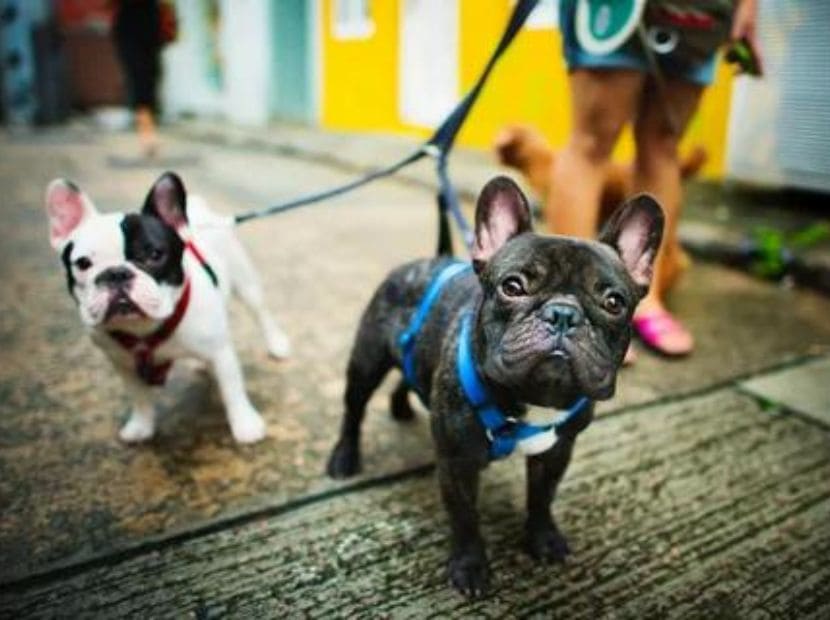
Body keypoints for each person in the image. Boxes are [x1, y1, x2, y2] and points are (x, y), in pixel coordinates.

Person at [549, 0, 761, 357]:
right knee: (593, 140)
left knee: (664, 144)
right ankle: (569, 301)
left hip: (703, 11)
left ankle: (644, 300)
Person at [111, 0, 163, 157]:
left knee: (146, 84)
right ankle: (147, 136)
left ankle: (148, 134)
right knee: (142, 86)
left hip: (145, 33)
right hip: (136, 34)